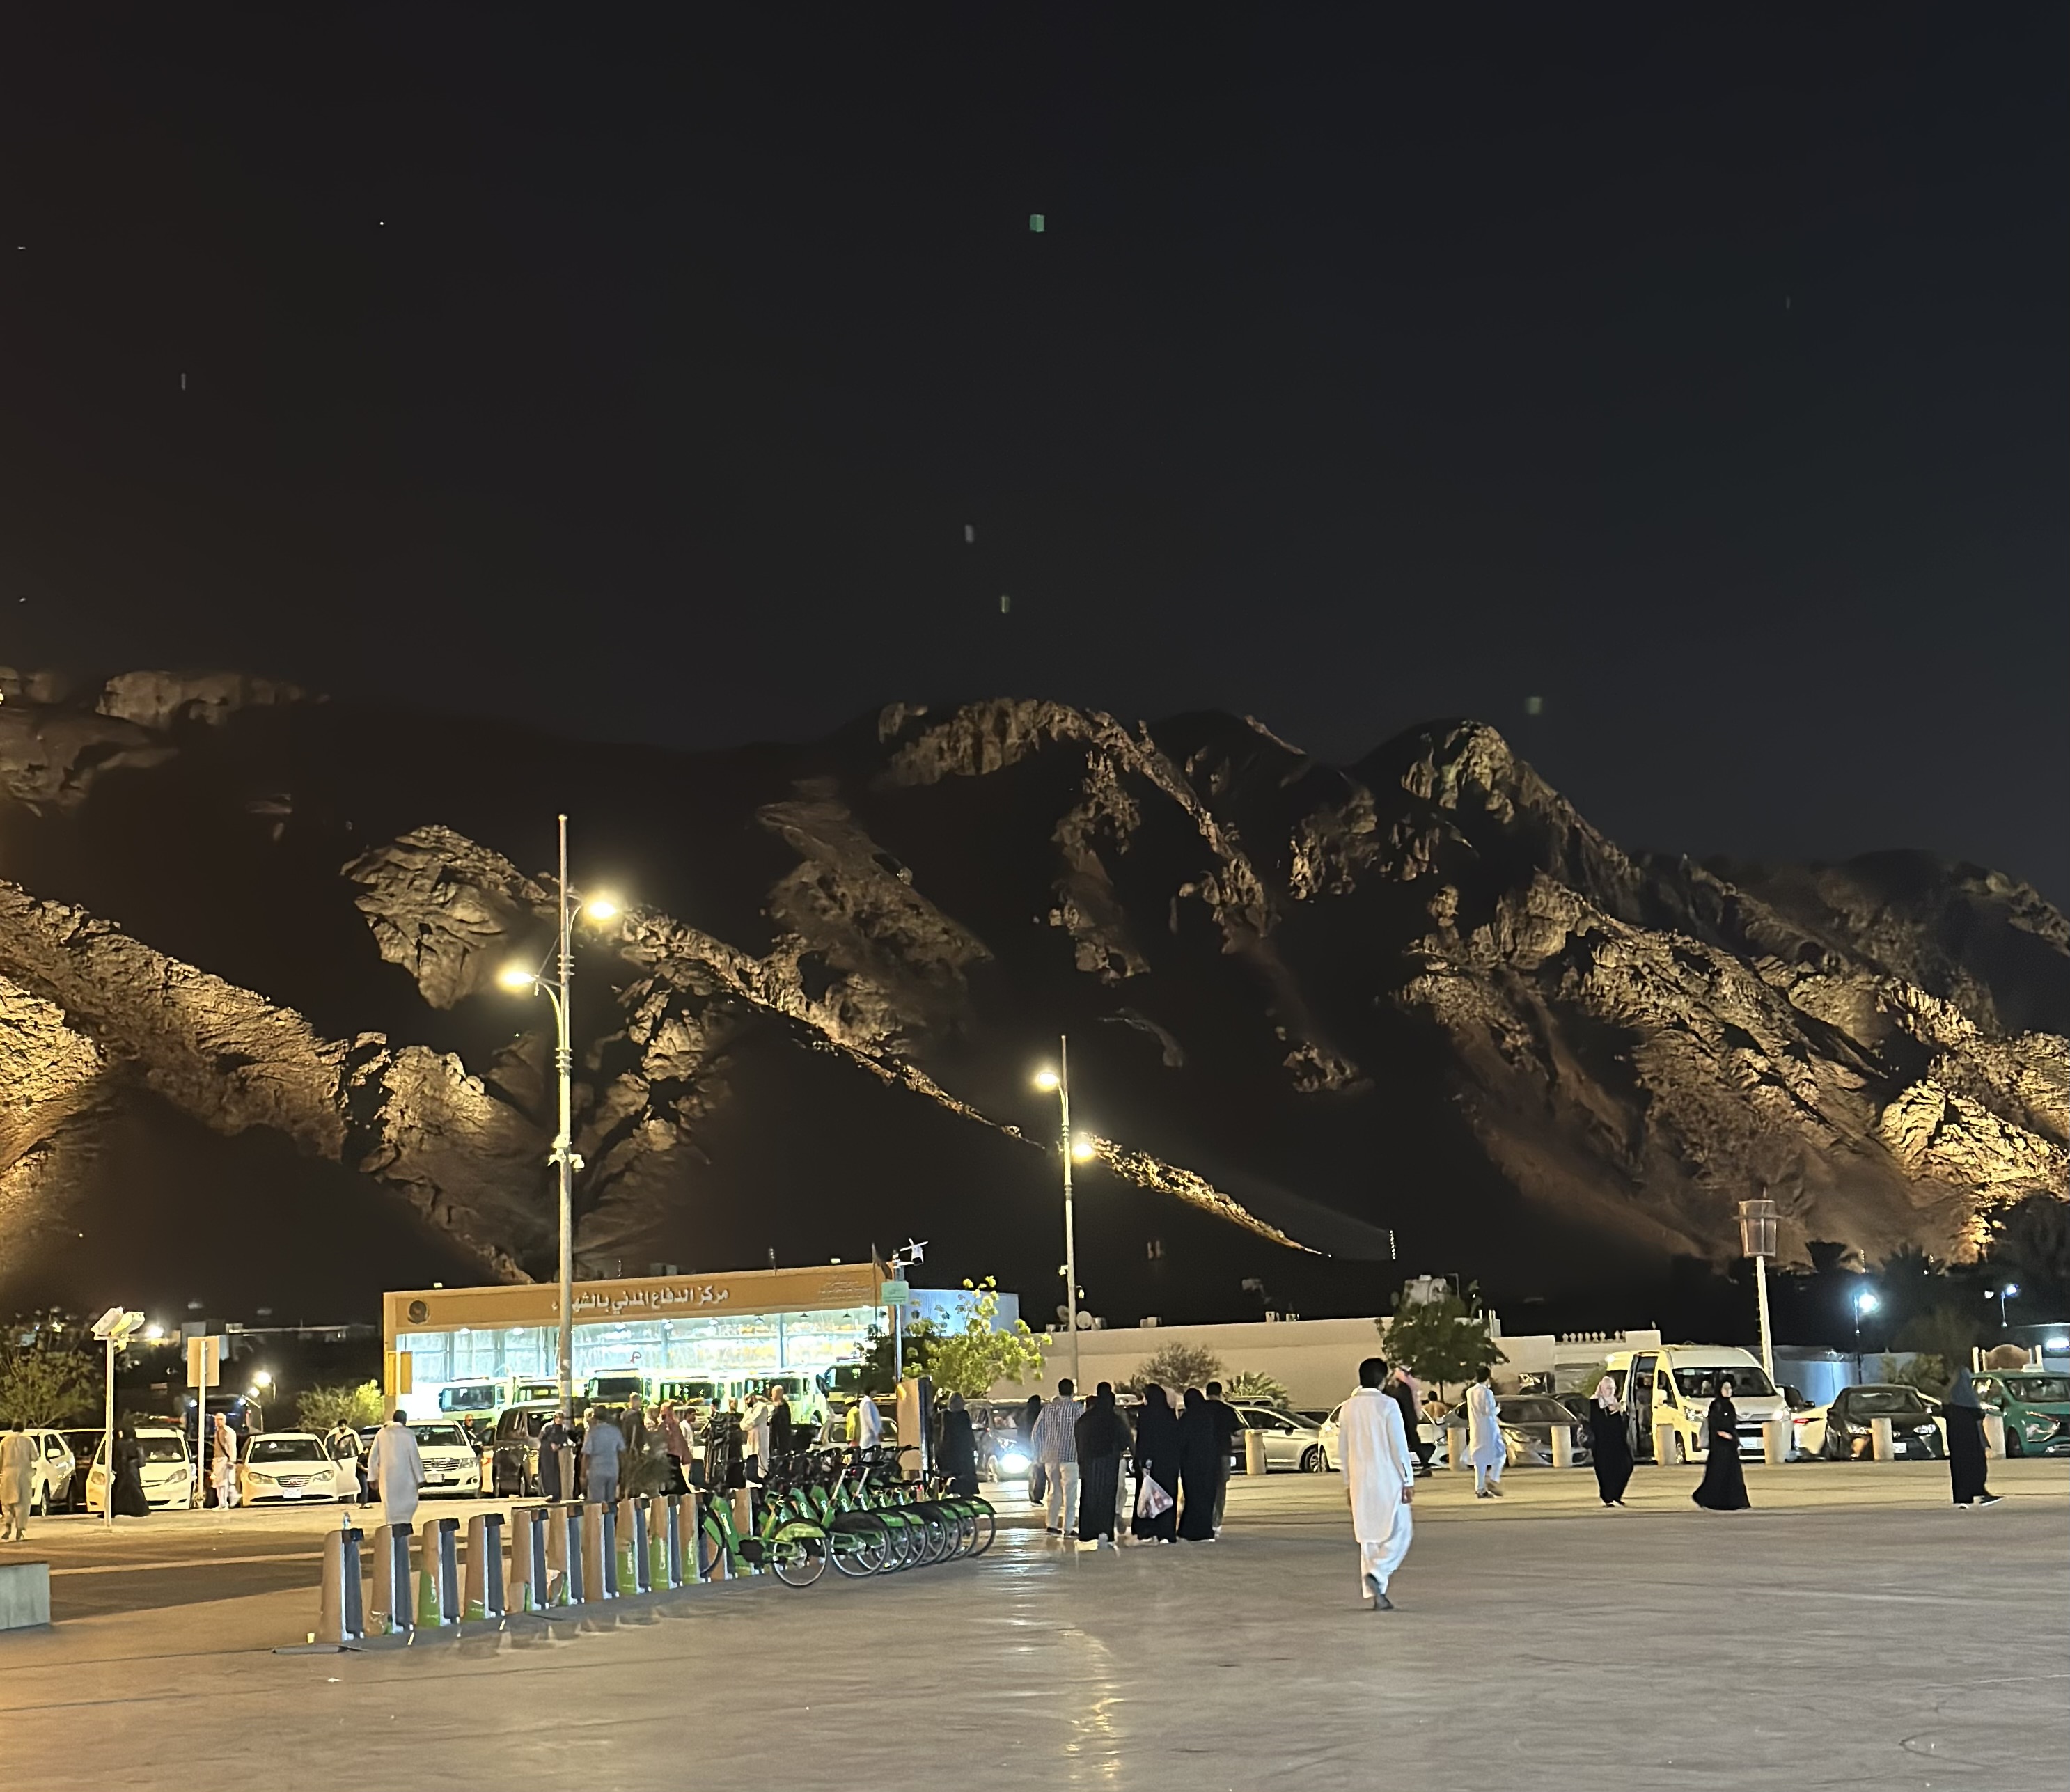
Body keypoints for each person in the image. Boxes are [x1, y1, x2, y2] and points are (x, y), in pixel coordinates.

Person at [1339, 1358, 1417, 1609]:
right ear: (1382, 1380)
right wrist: (1408, 1480)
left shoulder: (1347, 1408)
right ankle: (1379, 1574)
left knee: (1369, 1539)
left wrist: (1347, 1483)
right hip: (1387, 1478)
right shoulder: (1387, 1405)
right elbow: (1399, 1446)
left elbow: (1343, 1450)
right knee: (1402, 1531)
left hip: (1360, 1480)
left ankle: (1377, 1595)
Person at [1074, 1384, 1134, 1548]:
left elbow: (1079, 1439)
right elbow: (1124, 1440)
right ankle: (1105, 1531)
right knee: (1107, 1498)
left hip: (1090, 1463)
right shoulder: (1114, 1418)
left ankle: (1088, 1531)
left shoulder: (1086, 1418)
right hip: (1108, 1463)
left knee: (1090, 1497)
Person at [1941, 1369, 2001, 1508]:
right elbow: (1951, 1387)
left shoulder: (1959, 1369)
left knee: (1964, 1457)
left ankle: (1967, 1495)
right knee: (1970, 1456)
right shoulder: (1957, 1369)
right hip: (1962, 1413)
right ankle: (1975, 1492)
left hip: (1961, 1412)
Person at [1032, 1380, 1084, 1536]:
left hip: (1051, 1457)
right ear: (1072, 1391)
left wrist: (1039, 1454)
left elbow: (1036, 1433)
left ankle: (1052, 1524)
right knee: (1070, 1493)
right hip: (1070, 1456)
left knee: (1054, 1491)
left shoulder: (1047, 1410)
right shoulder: (1078, 1410)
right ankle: (1068, 1527)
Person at [1691, 1377, 1750, 1511]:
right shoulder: (1716, 1405)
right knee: (1718, 1474)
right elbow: (1715, 1424)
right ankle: (1709, 1499)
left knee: (1732, 1474)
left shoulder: (1729, 1405)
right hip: (1720, 1447)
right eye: (1725, 1388)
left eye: (1730, 1389)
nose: (1728, 1391)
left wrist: (1733, 1438)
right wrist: (1724, 1435)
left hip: (1730, 1446)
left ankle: (1734, 1501)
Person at [1131, 1383, 1180, 1543]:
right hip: (1168, 1463)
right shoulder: (1170, 1414)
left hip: (1150, 1463)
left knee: (1148, 1495)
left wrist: (1141, 1460)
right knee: (1166, 1496)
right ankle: (1166, 1530)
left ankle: (1147, 1529)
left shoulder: (1145, 1414)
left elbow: (1143, 1440)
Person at [366, 1410, 425, 1529]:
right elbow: (414, 1457)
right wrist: (420, 1478)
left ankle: (391, 1530)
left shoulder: (382, 1434)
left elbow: (373, 1457)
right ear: (404, 1420)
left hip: (388, 1479)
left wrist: (372, 1477)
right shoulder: (408, 1434)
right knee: (407, 1506)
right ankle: (405, 1528)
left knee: (390, 1508)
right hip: (407, 1480)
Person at [1175, 1388, 1221, 1541]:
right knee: (1206, 1496)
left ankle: (1190, 1529)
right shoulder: (1208, 1417)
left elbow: (1181, 1441)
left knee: (1193, 1497)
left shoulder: (1187, 1419)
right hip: (1209, 1463)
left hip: (1191, 1464)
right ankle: (1204, 1529)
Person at [1587, 1374, 1634, 1506]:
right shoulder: (1595, 1403)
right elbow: (1597, 1424)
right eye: (1608, 1388)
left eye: (1613, 1388)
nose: (1610, 1391)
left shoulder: (1615, 1401)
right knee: (1605, 1470)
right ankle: (1608, 1497)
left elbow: (1623, 1426)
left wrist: (1619, 1412)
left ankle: (1617, 1494)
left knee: (1627, 1465)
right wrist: (1609, 1412)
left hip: (1618, 1442)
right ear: (1601, 1388)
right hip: (1602, 1444)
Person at [1203, 1381, 1241, 1530]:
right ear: (1220, 1393)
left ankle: (1206, 1516)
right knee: (1221, 1487)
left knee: (1206, 1487)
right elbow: (1237, 1431)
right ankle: (1217, 1521)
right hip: (1223, 1453)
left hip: (1205, 1454)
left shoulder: (1201, 1410)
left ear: (1207, 1393)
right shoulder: (1227, 1411)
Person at [1466, 1367, 1506, 1498]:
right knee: (1500, 1454)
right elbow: (1489, 1411)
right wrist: (1498, 1409)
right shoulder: (1487, 1392)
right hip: (1489, 1429)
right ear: (1488, 1377)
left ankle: (1480, 1488)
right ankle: (1493, 1479)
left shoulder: (1470, 1392)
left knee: (1479, 1460)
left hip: (1476, 1429)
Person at [1387, 1367, 1432, 1476]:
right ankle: (1424, 1465)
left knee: (1410, 1444)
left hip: (1405, 1422)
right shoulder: (1403, 1389)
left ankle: (1424, 1464)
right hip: (1406, 1421)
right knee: (1411, 1444)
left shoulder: (1402, 1389)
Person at [938, 1392, 980, 1498]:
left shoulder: (962, 1415)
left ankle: (963, 1492)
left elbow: (968, 1431)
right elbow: (944, 1432)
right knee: (954, 1473)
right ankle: (954, 1491)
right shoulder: (946, 1415)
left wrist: (973, 1445)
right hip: (952, 1449)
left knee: (963, 1473)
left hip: (961, 1449)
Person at [1, 1418, 36, 1541]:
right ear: (23, 1428)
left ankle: (8, 1526)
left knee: (7, 1502)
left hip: (8, 1474)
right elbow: (35, 1457)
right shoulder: (28, 1441)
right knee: (23, 1503)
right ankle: (20, 1530)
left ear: (12, 1428)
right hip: (24, 1475)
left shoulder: (5, 1441)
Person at [583, 1406, 626, 1507]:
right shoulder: (616, 1431)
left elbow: (586, 1454)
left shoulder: (592, 1433)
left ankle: (600, 1522)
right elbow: (622, 1452)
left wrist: (583, 1474)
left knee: (597, 1504)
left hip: (597, 1470)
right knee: (611, 1502)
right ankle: (610, 1521)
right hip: (613, 1469)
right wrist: (622, 1471)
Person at [110, 1426, 151, 1518]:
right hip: (132, 1469)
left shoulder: (119, 1444)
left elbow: (117, 1458)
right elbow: (141, 1460)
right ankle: (140, 1510)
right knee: (135, 1489)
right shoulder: (137, 1444)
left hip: (123, 1469)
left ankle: (119, 1509)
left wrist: (116, 1468)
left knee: (119, 1489)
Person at [655, 1403, 691, 1495]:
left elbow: (678, 1442)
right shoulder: (669, 1426)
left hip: (672, 1458)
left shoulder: (673, 1426)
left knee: (675, 1488)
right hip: (669, 1458)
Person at [211, 1413, 241, 1509]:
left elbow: (232, 1447)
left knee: (223, 1483)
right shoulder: (218, 1431)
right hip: (218, 1459)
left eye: (220, 1419)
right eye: (216, 1420)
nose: (218, 1422)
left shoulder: (228, 1432)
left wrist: (232, 1460)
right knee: (218, 1483)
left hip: (225, 1459)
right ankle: (222, 1503)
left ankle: (224, 1503)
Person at [538, 1412, 570, 1501]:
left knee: (556, 1473)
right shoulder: (548, 1427)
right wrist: (550, 1444)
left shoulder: (563, 1429)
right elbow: (541, 1438)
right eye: (557, 1417)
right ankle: (548, 1492)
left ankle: (556, 1494)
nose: (559, 1419)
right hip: (546, 1453)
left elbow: (565, 1441)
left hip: (557, 1454)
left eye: (561, 1417)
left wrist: (559, 1446)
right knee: (547, 1472)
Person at [768, 1388, 795, 1468]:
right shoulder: (773, 1406)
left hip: (781, 1439)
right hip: (774, 1438)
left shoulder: (783, 1408)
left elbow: (783, 1423)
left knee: (781, 1458)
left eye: (774, 1393)